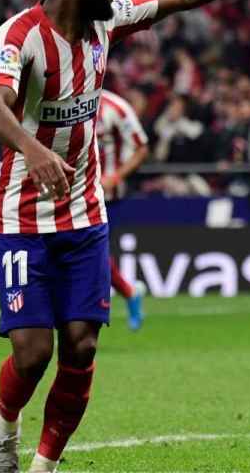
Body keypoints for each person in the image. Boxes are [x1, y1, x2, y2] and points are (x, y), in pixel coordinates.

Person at [0, 0, 250, 472]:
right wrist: (33, 151)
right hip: (21, 216)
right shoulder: (20, 37)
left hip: (85, 213)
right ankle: (3, 428)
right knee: (33, 353)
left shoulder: (107, 22)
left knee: (82, 346)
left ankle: (43, 468)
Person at [97, 89, 149, 331]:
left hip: (105, 195)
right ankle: (129, 292)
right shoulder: (61, 98)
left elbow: (141, 148)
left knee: (92, 253)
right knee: (87, 254)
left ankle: (127, 293)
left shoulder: (116, 107)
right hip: (72, 193)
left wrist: (115, 176)